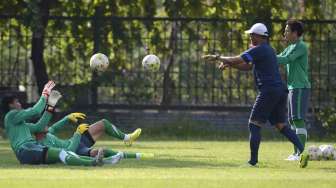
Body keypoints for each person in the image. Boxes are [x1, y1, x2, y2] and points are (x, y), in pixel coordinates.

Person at [202, 23, 309, 168]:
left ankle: (252, 162)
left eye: (252, 35)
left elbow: (238, 59)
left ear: (260, 36)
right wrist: (230, 64)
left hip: (269, 90)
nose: (250, 37)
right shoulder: (269, 50)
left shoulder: (259, 49)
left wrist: (218, 58)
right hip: (280, 90)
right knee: (281, 125)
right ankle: (303, 152)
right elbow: (247, 66)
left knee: (254, 124)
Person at [1, 80, 104, 166]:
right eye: (17, 102)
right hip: (26, 149)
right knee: (63, 153)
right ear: (10, 105)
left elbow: (40, 126)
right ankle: (93, 163)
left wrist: (50, 105)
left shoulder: (20, 124)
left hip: (30, 149)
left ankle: (94, 162)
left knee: (63, 153)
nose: (19, 104)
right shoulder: (11, 115)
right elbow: (35, 111)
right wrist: (45, 94)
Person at [34, 113, 153, 164]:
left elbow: (55, 127)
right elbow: (69, 151)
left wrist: (67, 118)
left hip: (76, 141)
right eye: (43, 124)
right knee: (102, 151)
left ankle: (127, 138)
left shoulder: (47, 133)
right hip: (75, 151)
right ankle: (137, 156)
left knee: (103, 123)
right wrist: (77, 134)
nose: (46, 124)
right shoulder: (42, 145)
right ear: (37, 129)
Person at [277, 20, 311, 161]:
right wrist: (264, 56)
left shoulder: (301, 46)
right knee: (292, 121)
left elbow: (285, 59)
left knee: (298, 120)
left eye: (287, 30)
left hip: (300, 87)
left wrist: (265, 55)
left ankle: (301, 153)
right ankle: (296, 152)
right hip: (292, 87)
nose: (284, 33)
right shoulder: (290, 46)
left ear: (295, 33)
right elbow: (279, 57)